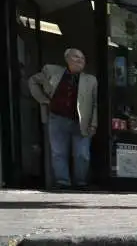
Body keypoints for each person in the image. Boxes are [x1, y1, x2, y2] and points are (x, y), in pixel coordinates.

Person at [28, 48, 98, 190]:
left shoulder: (90, 80)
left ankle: (80, 183)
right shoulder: (51, 71)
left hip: (81, 121)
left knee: (82, 154)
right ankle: (63, 183)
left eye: (82, 59)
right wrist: (43, 100)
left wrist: (94, 124)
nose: (80, 61)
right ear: (67, 59)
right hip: (57, 118)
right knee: (58, 152)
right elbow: (33, 81)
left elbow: (94, 103)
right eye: (76, 57)